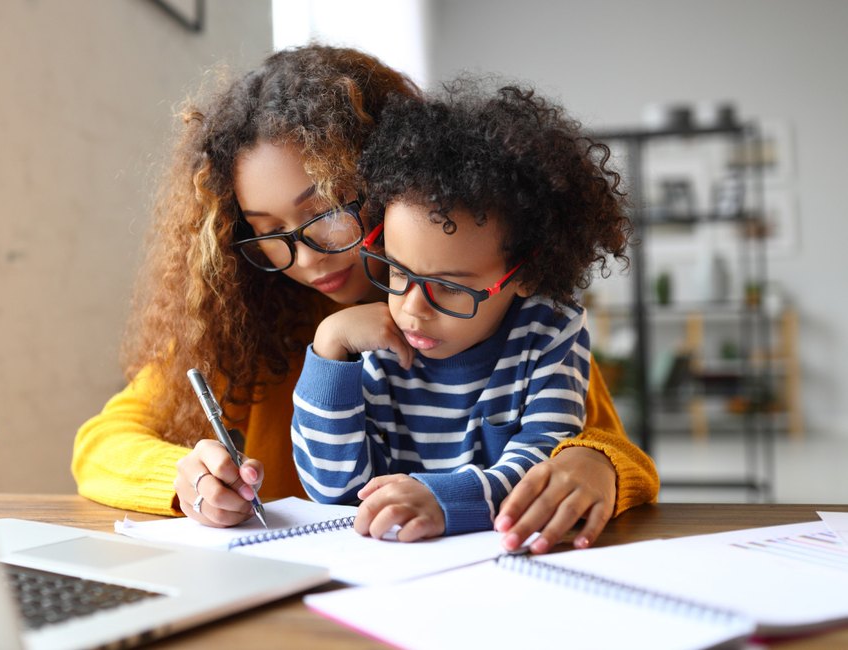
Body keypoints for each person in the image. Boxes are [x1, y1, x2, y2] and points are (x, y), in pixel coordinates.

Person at [72, 45, 658, 554]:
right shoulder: (242, 320)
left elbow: (596, 441)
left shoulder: (495, 311)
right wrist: (185, 478)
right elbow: (102, 443)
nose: (306, 258)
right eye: (269, 232)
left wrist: (597, 463)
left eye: (325, 212)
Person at [292, 81, 626, 541]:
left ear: (523, 275)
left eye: (448, 288)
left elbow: (543, 461)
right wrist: (329, 348)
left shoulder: (550, 331)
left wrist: (445, 498)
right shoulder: (373, 340)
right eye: (397, 272)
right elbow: (333, 489)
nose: (412, 309)